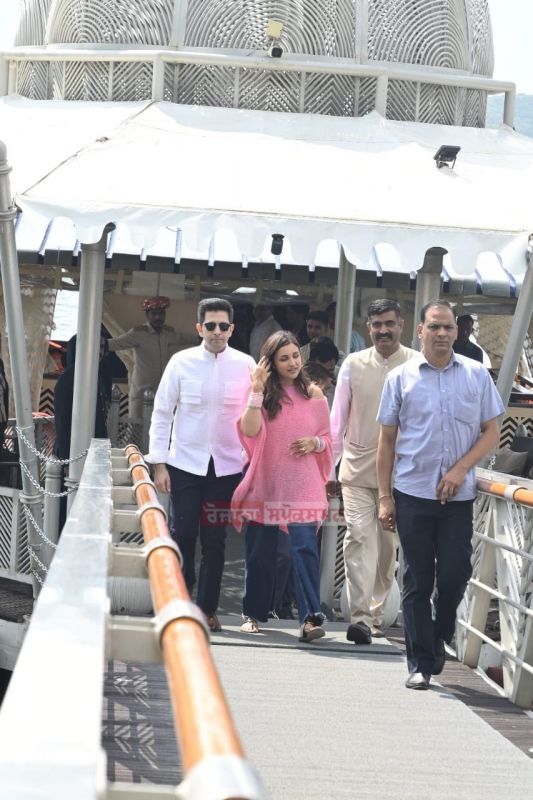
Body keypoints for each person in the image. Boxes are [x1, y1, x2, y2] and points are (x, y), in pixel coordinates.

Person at [377, 300, 504, 690]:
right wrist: (385, 496)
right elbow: (387, 440)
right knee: (416, 579)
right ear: (420, 331)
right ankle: (419, 661)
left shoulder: (477, 375)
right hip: (412, 492)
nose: (442, 334)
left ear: (457, 331)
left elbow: (492, 431)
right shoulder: (400, 377)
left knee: (454, 575)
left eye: (448, 327)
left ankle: (438, 635)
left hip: (458, 497)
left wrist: (460, 469)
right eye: (434, 327)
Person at [146, 298, 255, 633]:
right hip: (184, 464)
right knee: (183, 534)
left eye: (224, 326)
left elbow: (257, 417)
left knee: (214, 540)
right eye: (211, 326)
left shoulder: (247, 365)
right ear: (199, 328)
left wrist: (251, 467)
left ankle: (207, 609)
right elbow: (162, 413)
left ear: (232, 329)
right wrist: (159, 463)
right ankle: (180, 601)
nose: (217, 332)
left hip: (226, 466)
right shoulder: (181, 362)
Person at [231, 331, 333, 642]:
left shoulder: (315, 396)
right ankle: (253, 614)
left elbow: (328, 439)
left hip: (303, 484)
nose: (292, 363)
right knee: (261, 553)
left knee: (303, 549)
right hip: (267, 481)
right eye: (284, 358)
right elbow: (248, 431)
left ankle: (310, 619)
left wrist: (314, 443)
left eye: (295, 356)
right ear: (271, 362)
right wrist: (257, 390)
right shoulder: (260, 393)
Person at [330, 299, 417, 644]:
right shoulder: (353, 363)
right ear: (368, 328)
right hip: (356, 469)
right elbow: (337, 420)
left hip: (401, 475)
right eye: (377, 324)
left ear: (401, 325)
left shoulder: (417, 364)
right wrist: (330, 468)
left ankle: (378, 612)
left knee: (386, 548)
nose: (383, 330)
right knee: (358, 538)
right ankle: (361, 617)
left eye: (390, 324)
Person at [108, 296, 182, 418]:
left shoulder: (168, 333)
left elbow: (183, 339)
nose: (158, 317)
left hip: (162, 393)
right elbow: (116, 343)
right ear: (147, 315)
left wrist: (203, 339)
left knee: (161, 428)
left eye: (161, 313)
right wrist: (95, 343)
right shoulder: (138, 333)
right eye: (154, 314)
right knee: (136, 428)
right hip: (141, 393)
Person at [54, 335, 108, 460]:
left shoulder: (97, 375)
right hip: (72, 452)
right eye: (95, 346)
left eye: (101, 347)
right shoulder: (68, 378)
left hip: (93, 450)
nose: (99, 352)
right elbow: (62, 420)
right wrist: (66, 457)